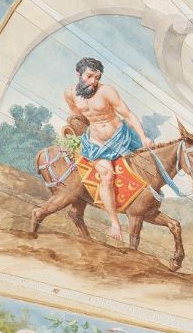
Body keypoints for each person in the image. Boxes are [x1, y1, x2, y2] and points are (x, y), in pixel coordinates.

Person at [63, 57, 154, 243]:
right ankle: (115, 222)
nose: (93, 81)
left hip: (121, 138)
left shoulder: (107, 92)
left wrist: (143, 137)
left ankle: (149, 204)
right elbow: (77, 117)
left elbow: (127, 114)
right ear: (78, 74)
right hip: (97, 144)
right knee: (106, 176)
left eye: (97, 77)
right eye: (89, 76)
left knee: (145, 168)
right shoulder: (70, 94)